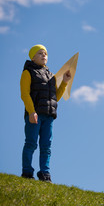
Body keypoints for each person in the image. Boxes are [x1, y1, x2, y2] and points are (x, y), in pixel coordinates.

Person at [20, 44, 71, 183]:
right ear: (33, 57)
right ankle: (27, 172)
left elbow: (55, 98)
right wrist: (31, 112)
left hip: (48, 116)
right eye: (40, 53)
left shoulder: (51, 75)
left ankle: (45, 174)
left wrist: (65, 83)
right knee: (31, 143)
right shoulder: (28, 72)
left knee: (46, 147)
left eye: (45, 54)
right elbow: (24, 94)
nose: (44, 55)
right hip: (34, 115)